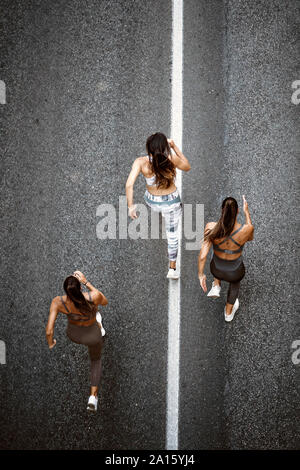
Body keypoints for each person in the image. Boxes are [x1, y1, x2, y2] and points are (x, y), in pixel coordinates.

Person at [125, 132, 191, 279]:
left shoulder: (140, 162)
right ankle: (172, 268)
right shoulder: (171, 159)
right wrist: (174, 147)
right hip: (171, 203)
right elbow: (187, 166)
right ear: (165, 147)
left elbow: (129, 185)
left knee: (158, 209)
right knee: (172, 236)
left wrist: (131, 206)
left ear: (148, 148)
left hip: (152, 201)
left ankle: (160, 211)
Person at [46, 270, 108, 411]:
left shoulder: (58, 302)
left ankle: (97, 325)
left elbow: (49, 330)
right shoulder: (92, 297)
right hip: (92, 335)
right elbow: (104, 301)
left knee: (90, 325)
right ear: (80, 288)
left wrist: (51, 343)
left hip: (75, 335)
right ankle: (93, 396)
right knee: (95, 360)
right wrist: (86, 282)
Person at [198, 195, 254, 322]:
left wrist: (201, 275)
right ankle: (228, 314)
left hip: (216, 269)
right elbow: (250, 237)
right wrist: (247, 213)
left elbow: (202, 256)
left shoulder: (211, 227)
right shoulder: (247, 229)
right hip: (234, 271)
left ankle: (216, 285)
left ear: (222, 210)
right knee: (234, 285)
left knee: (216, 252)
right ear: (238, 211)